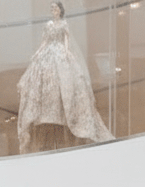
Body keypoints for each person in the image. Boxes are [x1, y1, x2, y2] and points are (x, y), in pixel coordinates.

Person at [16, 1, 114, 153]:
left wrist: (67, 52)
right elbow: (45, 42)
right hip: (49, 52)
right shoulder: (48, 25)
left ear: (60, 11)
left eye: (55, 8)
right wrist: (38, 53)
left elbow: (66, 40)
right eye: (52, 9)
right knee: (42, 77)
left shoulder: (64, 24)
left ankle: (64, 111)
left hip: (60, 51)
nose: (53, 11)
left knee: (67, 78)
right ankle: (47, 109)